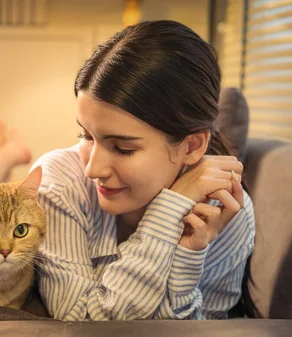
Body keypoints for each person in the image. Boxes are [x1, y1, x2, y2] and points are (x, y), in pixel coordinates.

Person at [30, 20, 257, 320]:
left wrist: (186, 259)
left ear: (191, 147)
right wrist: (168, 211)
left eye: (123, 148)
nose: (92, 169)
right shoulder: (59, 182)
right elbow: (78, 322)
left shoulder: (227, 211)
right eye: (86, 136)